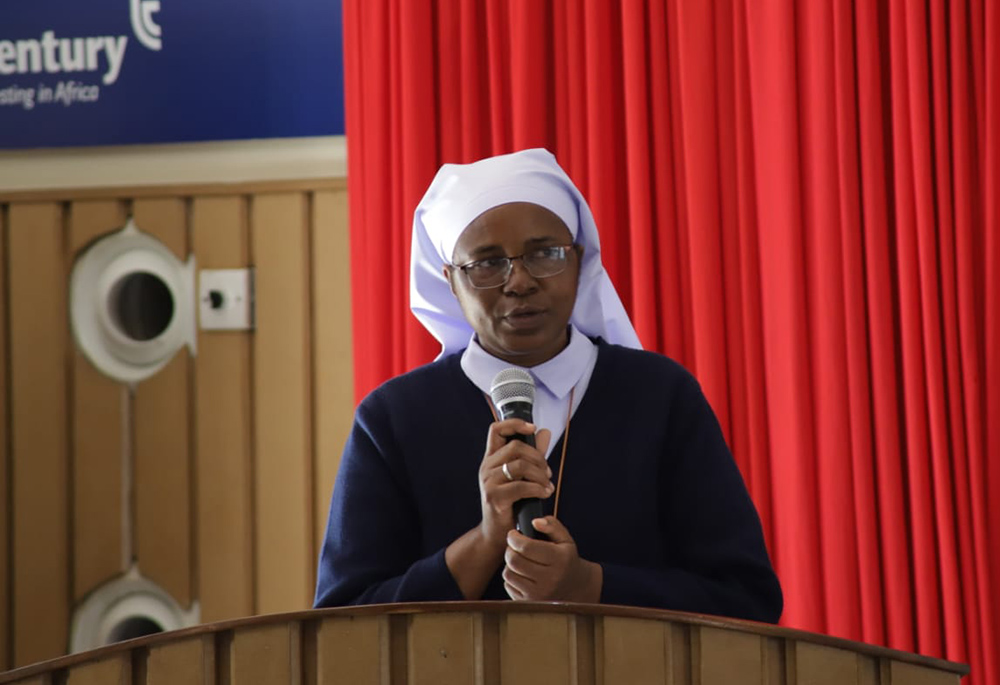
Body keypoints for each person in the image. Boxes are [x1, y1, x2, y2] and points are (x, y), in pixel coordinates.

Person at [314, 148, 783, 622]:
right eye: (486, 263)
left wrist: (589, 584)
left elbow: (746, 598)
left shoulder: (660, 397)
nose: (519, 282)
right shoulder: (394, 417)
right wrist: (483, 543)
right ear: (451, 283)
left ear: (579, 261)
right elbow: (342, 619)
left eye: (544, 254)